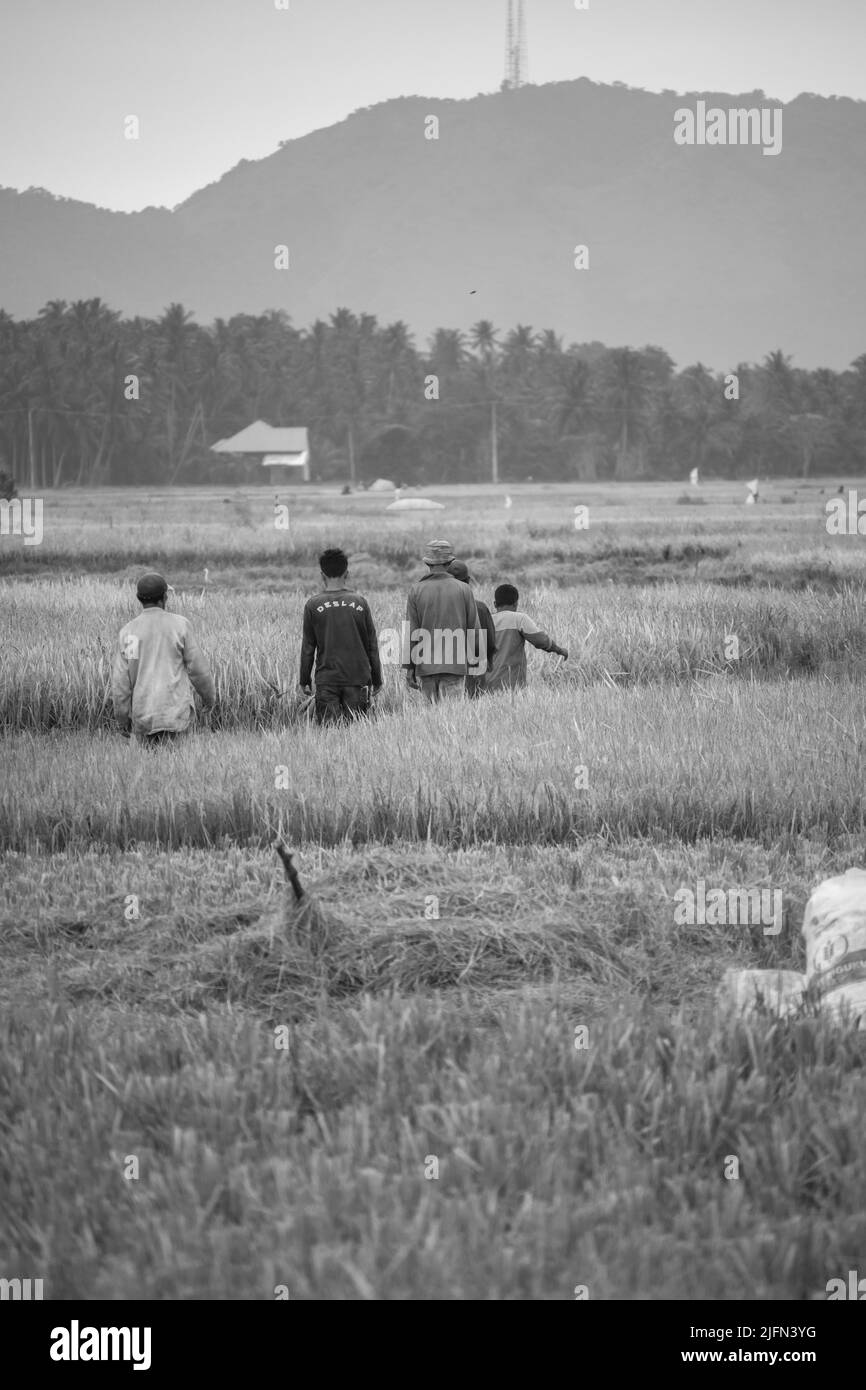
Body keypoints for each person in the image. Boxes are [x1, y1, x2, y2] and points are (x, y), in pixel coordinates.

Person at [112, 572, 215, 745]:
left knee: (151, 770)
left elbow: (121, 683)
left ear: (139, 599)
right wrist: (209, 699)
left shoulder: (129, 633)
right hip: (176, 716)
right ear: (164, 597)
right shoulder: (180, 626)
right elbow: (198, 671)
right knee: (180, 769)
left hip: (143, 717)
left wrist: (122, 720)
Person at [299, 547, 382, 723]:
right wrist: (377, 678)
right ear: (347, 573)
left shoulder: (313, 605)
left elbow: (308, 648)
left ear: (322, 575)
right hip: (358, 679)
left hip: (327, 679)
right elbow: (372, 646)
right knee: (357, 731)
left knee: (330, 732)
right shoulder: (360, 603)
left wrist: (304, 678)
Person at [404, 539, 479, 702]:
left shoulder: (416, 590)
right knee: (452, 718)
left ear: (427, 563)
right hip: (455, 666)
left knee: (430, 720)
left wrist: (410, 668)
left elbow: (411, 632)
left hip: (425, 667)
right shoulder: (464, 589)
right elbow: (475, 631)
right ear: (450, 562)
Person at [485, 583, 568, 693]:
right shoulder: (519, 619)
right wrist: (560, 650)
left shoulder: (486, 621)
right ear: (516, 604)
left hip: (486, 685)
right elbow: (541, 641)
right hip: (512, 687)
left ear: (495, 604)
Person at [447, 559, 495, 698]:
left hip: (447, 667)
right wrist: (489, 660)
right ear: (468, 580)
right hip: (475, 666)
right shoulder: (480, 607)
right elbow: (489, 639)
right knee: (474, 704)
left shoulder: (440, 608)